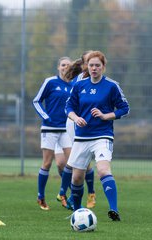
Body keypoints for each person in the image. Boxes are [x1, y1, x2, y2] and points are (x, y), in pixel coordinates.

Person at [65, 51, 129, 221]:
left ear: (103, 67)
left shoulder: (111, 86)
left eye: (97, 66)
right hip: (82, 137)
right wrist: (76, 118)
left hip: (103, 135)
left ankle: (113, 210)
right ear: (87, 66)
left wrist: (105, 116)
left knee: (102, 170)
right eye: (91, 65)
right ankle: (78, 213)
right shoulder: (79, 86)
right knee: (77, 177)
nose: (94, 68)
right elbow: (69, 107)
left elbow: (124, 108)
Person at [57, 52, 97, 210]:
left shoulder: (96, 80)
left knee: (82, 162)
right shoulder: (81, 80)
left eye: (95, 62)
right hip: (75, 122)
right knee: (77, 160)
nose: (93, 64)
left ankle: (84, 194)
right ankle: (70, 195)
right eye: (89, 62)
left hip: (86, 122)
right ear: (84, 64)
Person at [32, 56, 73, 210]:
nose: (65, 67)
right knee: (47, 163)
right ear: (58, 67)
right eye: (63, 65)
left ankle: (64, 194)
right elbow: (36, 101)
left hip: (66, 130)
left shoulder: (74, 85)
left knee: (71, 163)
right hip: (49, 129)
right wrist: (46, 117)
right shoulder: (50, 82)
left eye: (68, 65)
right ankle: (41, 197)